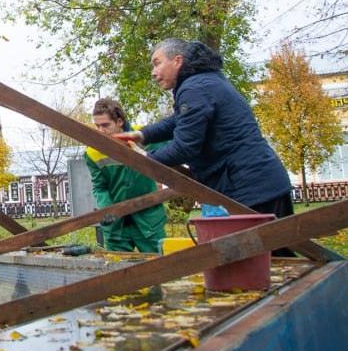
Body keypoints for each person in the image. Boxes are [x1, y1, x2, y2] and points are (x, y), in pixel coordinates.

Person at [116, 38, 295, 220]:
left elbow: (184, 148)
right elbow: (177, 120)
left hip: (251, 188)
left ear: (177, 61)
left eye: (157, 64)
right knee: (276, 247)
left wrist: (147, 158)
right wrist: (143, 134)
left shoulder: (194, 89)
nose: (153, 73)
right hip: (261, 183)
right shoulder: (204, 82)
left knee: (261, 248)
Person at [84, 96, 167, 253]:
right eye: (97, 126)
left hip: (148, 218)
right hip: (117, 225)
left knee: (162, 268)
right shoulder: (92, 152)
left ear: (119, 121)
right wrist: (108, 210)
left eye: (105, 125)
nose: (101, 131)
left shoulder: (144, 136)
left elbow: (176, 147)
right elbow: (100, 187)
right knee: (117, 269)